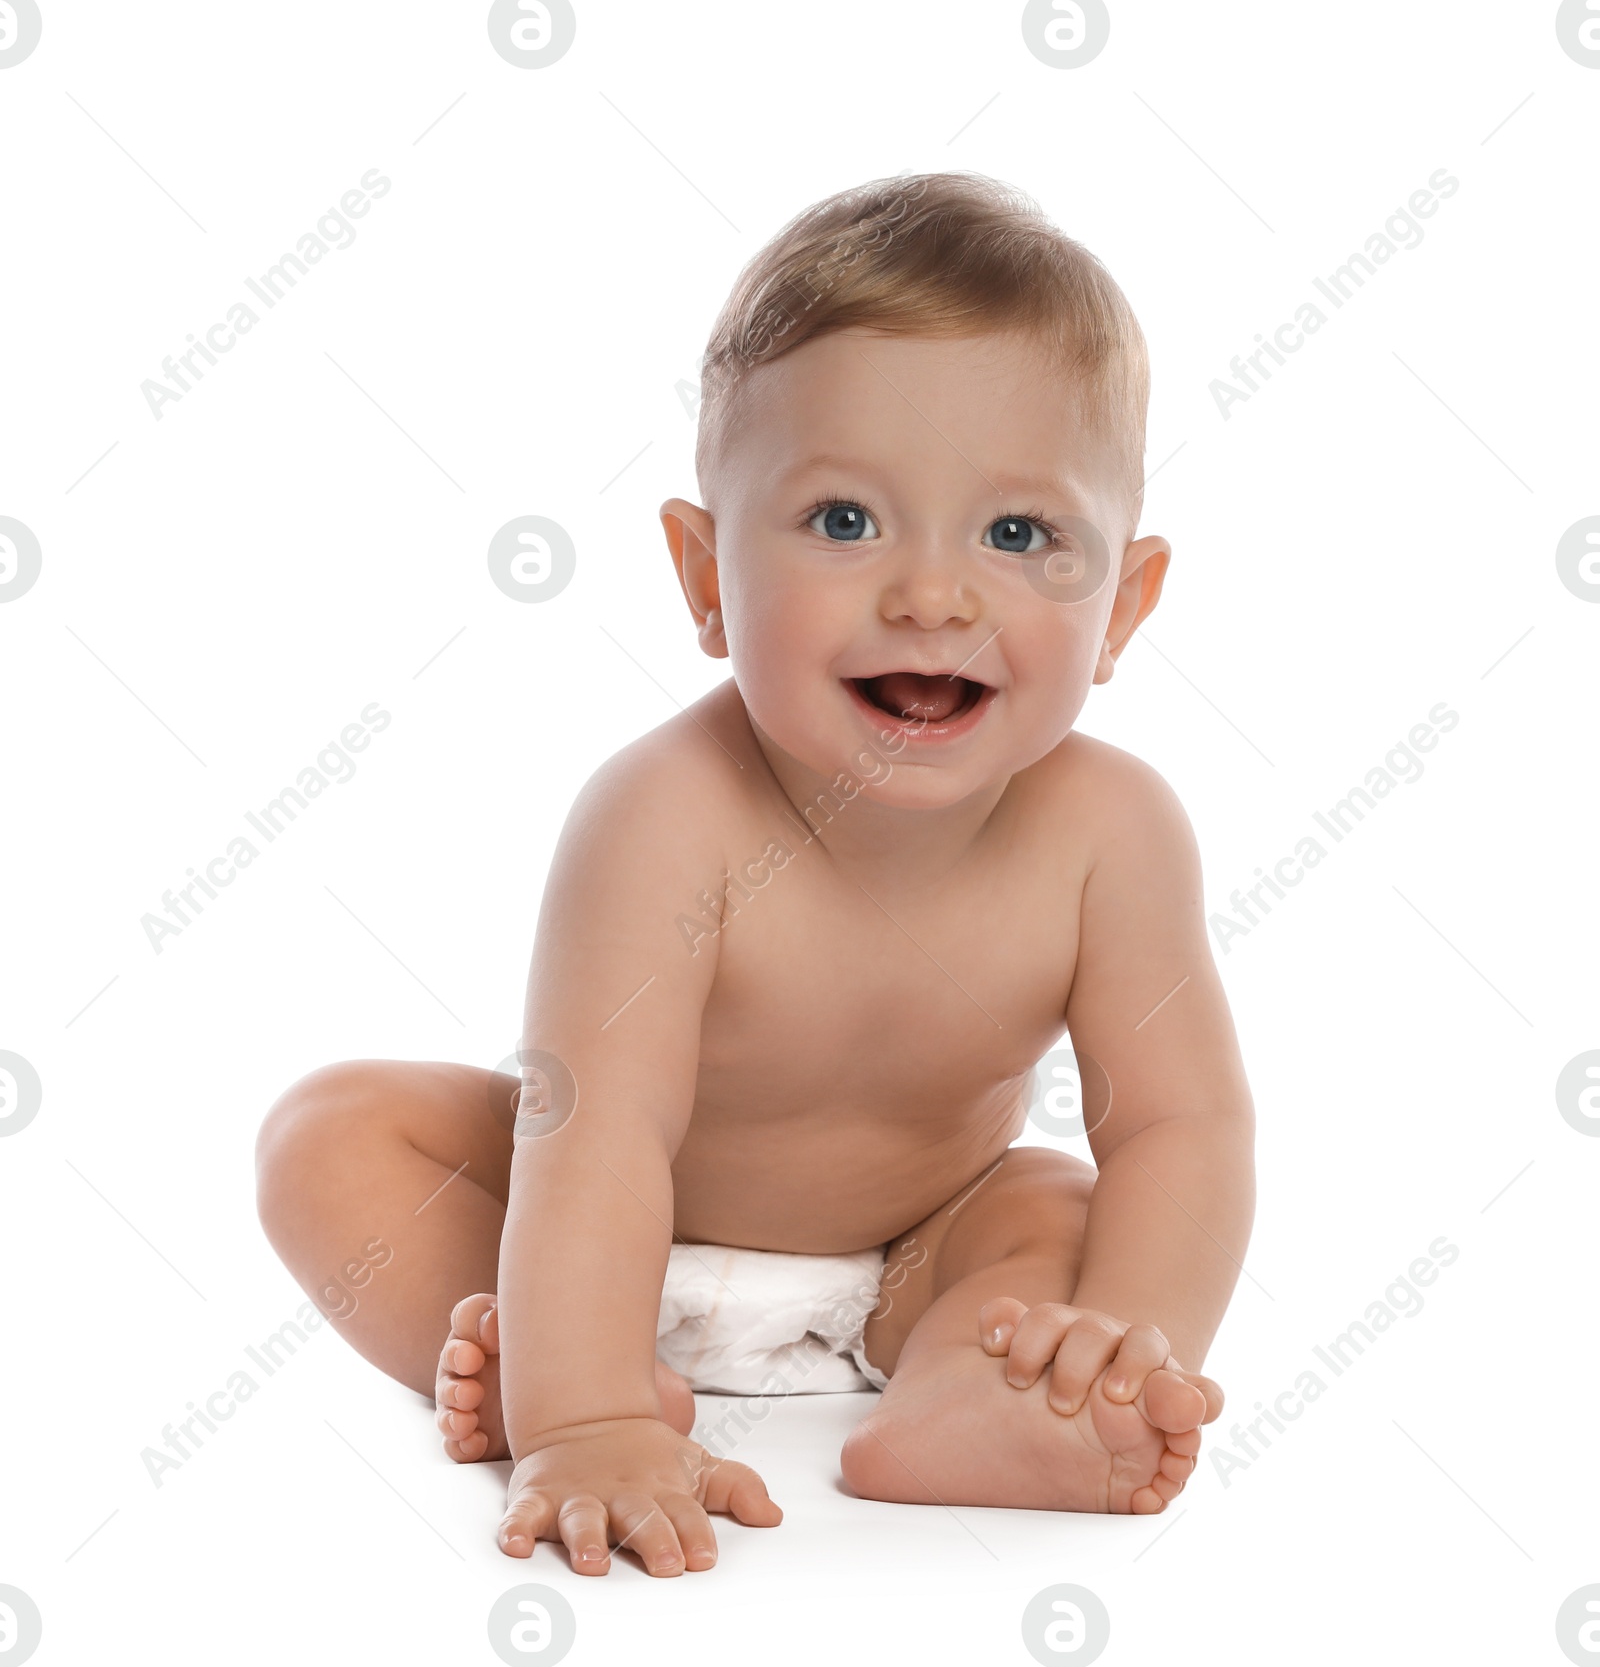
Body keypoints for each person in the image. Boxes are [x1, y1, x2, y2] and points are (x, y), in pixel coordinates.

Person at [256, 171, 1254, 1576]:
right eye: (845, 522)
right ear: (706, 573)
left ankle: (989, 1395)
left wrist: (1123, 1342)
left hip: (914, 1254)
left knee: (1052, 1209)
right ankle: (508, 1352)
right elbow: (592, 1133)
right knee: (334, 1135)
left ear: (1122, 609)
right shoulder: (665, 814)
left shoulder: (1117, 834)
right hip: (590, 1239)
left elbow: (1179, 1131)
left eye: (1019, 536)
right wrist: (587, 1411)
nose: (933, 595)